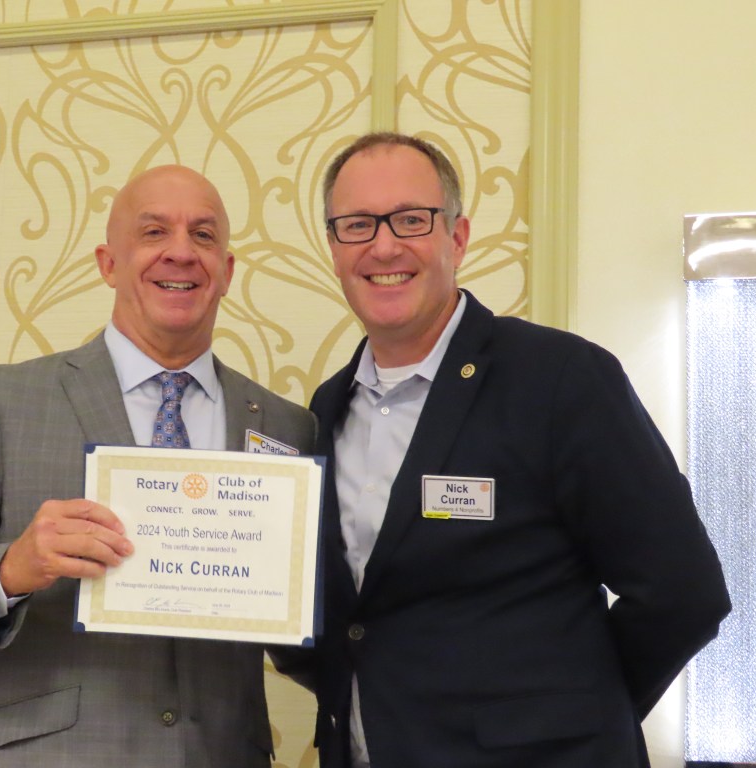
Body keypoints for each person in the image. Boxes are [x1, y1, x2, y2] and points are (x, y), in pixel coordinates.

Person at [0, 165, 316, 767]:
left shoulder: (285, 427)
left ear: (226, 271)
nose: (181, 252)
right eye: (153, 232)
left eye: (203, 235)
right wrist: (11, 569)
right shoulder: (3, 401)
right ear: (108, 263)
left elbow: (307, 623)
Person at [303, 133, 731, 767]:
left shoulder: (560, 379)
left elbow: (683, 592)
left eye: (411, 220)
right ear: (334, 248)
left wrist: (580, 714)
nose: (384, 246)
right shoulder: (325, 407)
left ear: (457, 237)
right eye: (357, 225)